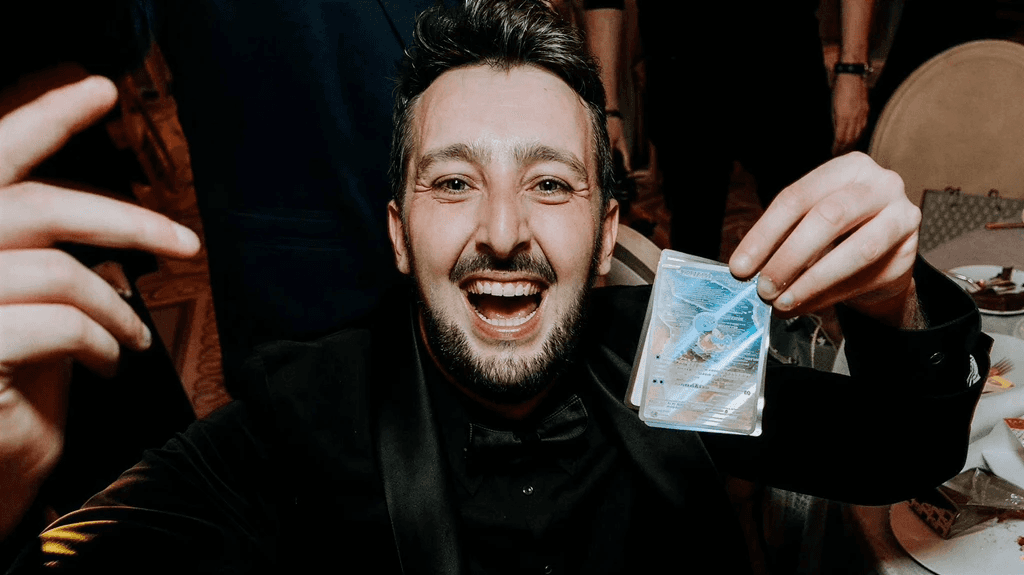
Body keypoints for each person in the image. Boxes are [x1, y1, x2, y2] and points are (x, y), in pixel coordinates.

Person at [1, 1, 988, 573]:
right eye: (453, 182)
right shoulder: (303, 406)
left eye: (550, 183)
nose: (505, 231)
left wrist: (889, 301)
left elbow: (903, 452)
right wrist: (5, 483)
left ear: (607, 232)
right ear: (398, 233)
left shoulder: (675, 335)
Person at [584, 1, 875, 260]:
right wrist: (606, 108)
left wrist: (853, 70)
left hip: (786, 68)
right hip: (682, 79)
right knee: (693, 244)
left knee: (811, 238)